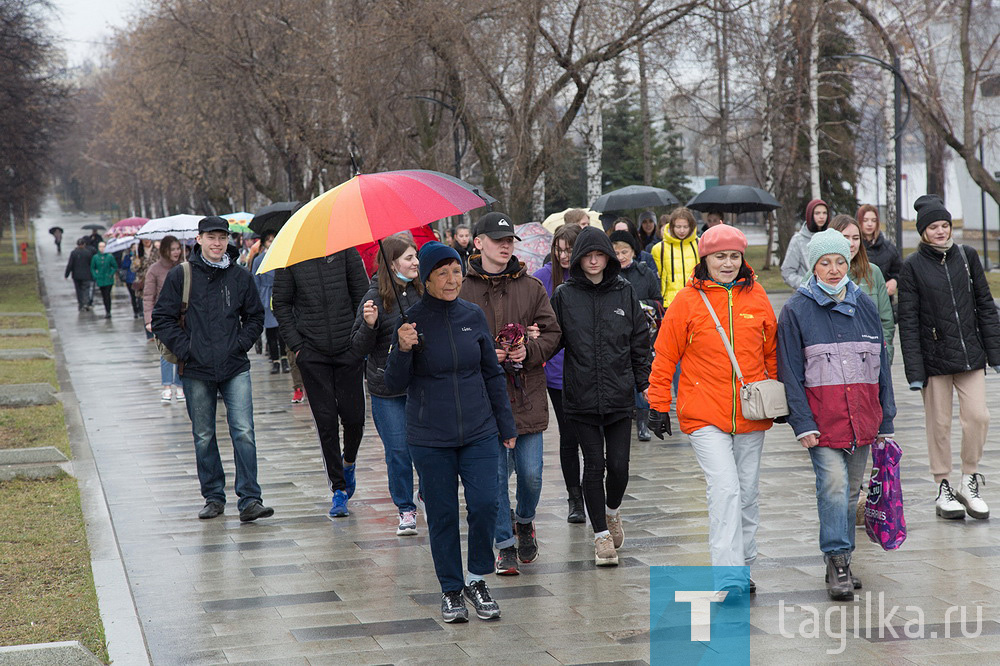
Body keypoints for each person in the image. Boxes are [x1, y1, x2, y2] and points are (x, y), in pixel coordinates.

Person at [383, 242, 517, 623]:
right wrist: (402, 349)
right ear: (425, 279)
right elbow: (393, 383)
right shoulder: (410, 321)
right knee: (442, 514)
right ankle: (451, 590)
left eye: (456, 271)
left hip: (479, 430)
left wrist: (505, 425)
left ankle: (477, 578)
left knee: (486, 504)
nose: (452, 279)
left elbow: (492, 373)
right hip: (429, 437)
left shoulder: (473, 315)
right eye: (442, 273)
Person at [647, 225, 778, 596]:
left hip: (751, 413)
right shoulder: (687, 302)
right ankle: (728, 575)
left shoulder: (758, 297)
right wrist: (658, 404)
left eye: (734, 256)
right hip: (704, 413)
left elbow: (772, 351)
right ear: (704, 258)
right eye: (720, 256)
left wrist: (781, 394)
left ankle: (744, 562)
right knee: (725, 489)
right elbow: (665, 355)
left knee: (748, 492)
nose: (728, 263)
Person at [777, 229, 895, 601]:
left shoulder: (864, 305)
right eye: (824, 263)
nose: (832, 269)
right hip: (822, 421)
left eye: (840, 261)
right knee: (833, 486)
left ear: (849, 262)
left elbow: (882, 368)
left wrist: (885, 420)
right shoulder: (797, 309)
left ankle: (842, 557)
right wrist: (802, 422)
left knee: (850, 494)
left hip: (863, 418)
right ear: (813, 266)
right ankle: (837, 560)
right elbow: (790, 372)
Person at [151, 216, 273, 522]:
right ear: (199, 239)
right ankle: (213, 496)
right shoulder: (182, 275)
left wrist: (240, 343)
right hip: (196, 369)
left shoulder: (240, 276)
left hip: (234, 365)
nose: (217, 244)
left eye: (222, 238)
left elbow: (255, 316)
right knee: (204, 434)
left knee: (243, 431)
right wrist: (187, 349)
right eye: (211, 238)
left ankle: (250, 499)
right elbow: (162, 319)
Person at [461, 212, 561, 575]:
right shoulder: (463, 287)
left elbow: (552, 333)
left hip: (526, 396)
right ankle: (503, 544)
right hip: (485, 399)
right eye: (497, 239)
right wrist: (488, 352)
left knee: (531, 474)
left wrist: (528, 351)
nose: (505, 246)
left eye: (509, 241)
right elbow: (453, 338)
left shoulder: (531, 287)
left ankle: (525, 521)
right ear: (478, 243)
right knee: (496, 477)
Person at [551, 227, 651, 566]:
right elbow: (553, 339)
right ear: (577, 259)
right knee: (594, 466)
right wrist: (531, 343)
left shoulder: (625, 292)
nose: (593, 261)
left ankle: (612, 512)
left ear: (608, 257)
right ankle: (600, 537)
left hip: (619, 394)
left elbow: (639, 341)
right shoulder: (564, 295)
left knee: (619, 468)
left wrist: (644, 383)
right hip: (580, 397)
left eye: (599, 254)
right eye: (587, 255)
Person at [898, 194, 1000, 521]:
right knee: (938, 424)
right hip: (934, 358)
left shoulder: (968, 257)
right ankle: (942, 487)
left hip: (971, 354)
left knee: (978, 416)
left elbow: (986, 305)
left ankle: (969, 479)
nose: (941, 231)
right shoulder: (912, 266)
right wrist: (914, 370)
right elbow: (909, 320)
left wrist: (995, 352)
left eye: (944, 225)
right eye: (933, 227)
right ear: (923, 231)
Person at [272, 238, 369, 518]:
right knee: (326, 422)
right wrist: (298, 346)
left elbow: (363, 295)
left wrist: (358, 341)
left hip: (347, 348)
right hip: (312, 354)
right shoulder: (290, 259)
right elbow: (282, 304)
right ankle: (338, 489)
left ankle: (348, 461)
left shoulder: (345, 250)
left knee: (354, 418)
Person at [351, 234, 424, 536]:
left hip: (422, 385)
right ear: (392, 263)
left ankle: (429, 493)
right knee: (398, 450)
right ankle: (405, 507)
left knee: (426, 448)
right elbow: (357, 348)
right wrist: (369, 325)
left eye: (416, 256)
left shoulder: (423, 292)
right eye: (409, 258)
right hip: (387, 388)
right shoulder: (373, 298)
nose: (416, 262)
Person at [532, 224, 586, 523]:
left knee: (589, 435)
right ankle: (574, 498)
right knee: (569, 436)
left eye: (569, 249)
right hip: (555, 370)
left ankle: (592, 490)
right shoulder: (542, 279)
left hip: (587, 369)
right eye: (559, 249)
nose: (564, 256)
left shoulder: (587, 278)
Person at [610, 230, 662, 442]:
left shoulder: (644, 273)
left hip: (643, 334)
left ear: (633, 251)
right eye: (616, 253)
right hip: (616, 335)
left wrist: (643, 306)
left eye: (625, 251)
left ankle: (644, 421)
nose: (621, 257)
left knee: (643, 376)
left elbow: (658, 302)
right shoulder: (609, 275)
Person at [830, 214, 894, 362]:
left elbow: (886, 321)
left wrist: (885, 353)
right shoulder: (816, 274)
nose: (851, 244)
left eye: (856, 238)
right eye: (845, 237)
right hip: (833, 364)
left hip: (869, 361)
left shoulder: (873, 272)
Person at [144, 235, 184, 402]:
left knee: (183, 351)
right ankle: (167, 386)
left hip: (183, 316)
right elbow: (148, 296)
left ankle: (181, 386)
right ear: (164, 250)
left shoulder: (185, 267)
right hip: (163, 317)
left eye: (178, 248)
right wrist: (149, 320)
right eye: (172, 249)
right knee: (166, 352)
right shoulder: (155, 269)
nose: (176, 252)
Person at [251, 232, 289, 375]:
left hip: (280, 295)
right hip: (266, 297)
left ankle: (284, 359)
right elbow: (255, 281)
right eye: (268, 241)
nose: (271, 243)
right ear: (264, 243)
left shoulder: (282, 257)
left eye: (273, 240)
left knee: (282, 331)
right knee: (271, 332)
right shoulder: (258, 260)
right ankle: (275, 361)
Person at [649, 207, 700, 308]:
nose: (682, 230)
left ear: (692, 226)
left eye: (686, 227)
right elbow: (655, 278)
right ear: (672, 226)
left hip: (696, 299)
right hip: (669, 302)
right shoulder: (659, 248)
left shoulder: (700, 244)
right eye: (678, 226)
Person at [781, 198, 829, 289]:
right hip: (807, 296)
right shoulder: (798, 240)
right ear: (810, 215)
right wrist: (808, 285)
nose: (822, 216)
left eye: (824, 213)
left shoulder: (832, 238)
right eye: (817, 213)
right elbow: (787, 272)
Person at [856, 204, 902, 298]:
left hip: (883, 301)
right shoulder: (853, 248)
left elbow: (901, 271)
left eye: (873, 220)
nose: (870, 224)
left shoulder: (888, 248)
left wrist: (895, 281)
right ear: (859, 222)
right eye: (865, 220)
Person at [64, 238, 95, 311]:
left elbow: (70, 264)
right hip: (87, 275)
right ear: (84, 244)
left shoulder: (74, 253)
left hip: (76, 275)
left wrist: (66, 274)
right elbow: (91, 264)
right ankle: (86, 303)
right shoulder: (88, 253)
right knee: (86, 289)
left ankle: (81, 304)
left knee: (78, 290)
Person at [90, 241, 117, 319]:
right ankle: (106, 310)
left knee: (107, 295)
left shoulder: (109, 256)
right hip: (100, 280)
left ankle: (108, 311)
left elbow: (115, 266)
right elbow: (92, 268)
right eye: (100, 247)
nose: (102, 248)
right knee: (104, 295)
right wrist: (96, 275)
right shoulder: (95, 257)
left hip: (108, 280)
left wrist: (111, 274)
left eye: (103, 246)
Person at [120, 245, 143, 319]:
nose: (134, 249)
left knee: (139, 296)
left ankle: (141, 310)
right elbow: (124, 266)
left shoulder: (140, 256)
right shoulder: (127, 257)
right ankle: (135, 311)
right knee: (133, 296)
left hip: (138, 279)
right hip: (130, 279)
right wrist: (131, 260)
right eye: (133, 247)